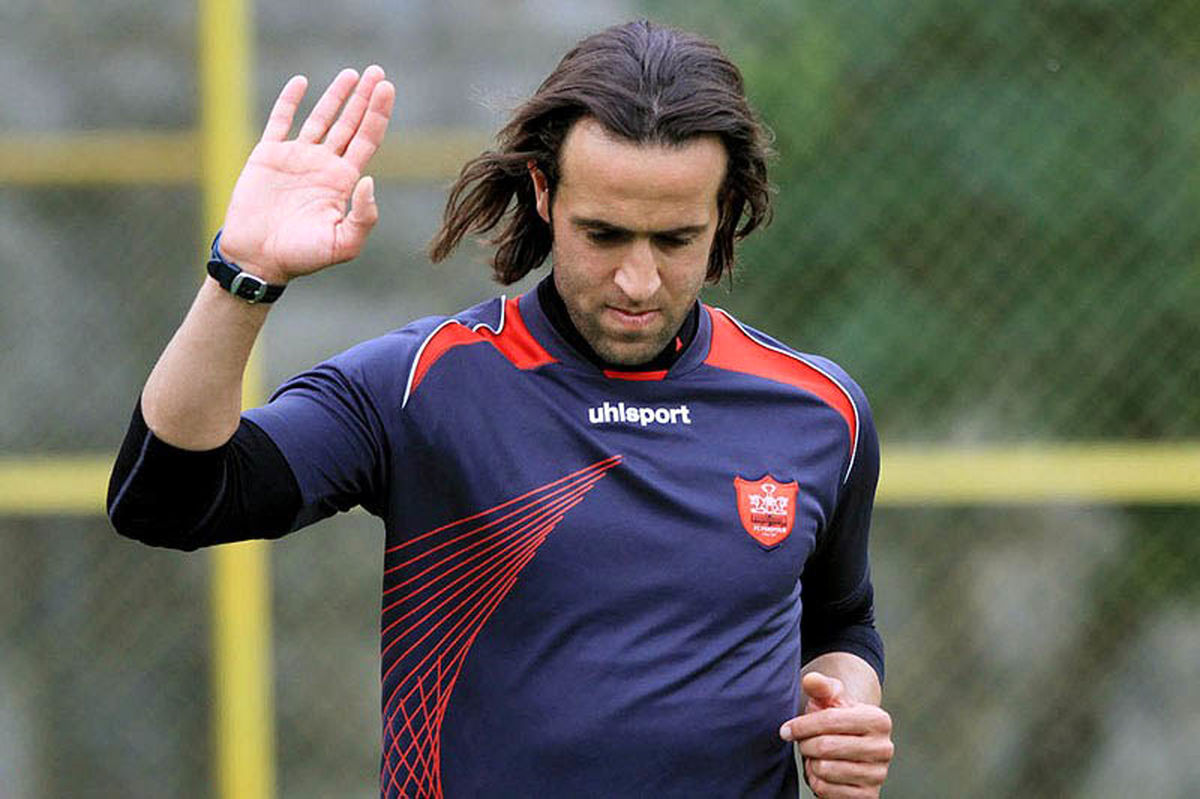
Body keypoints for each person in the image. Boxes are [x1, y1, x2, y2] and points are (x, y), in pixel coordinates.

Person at [108, 20, 893, 798]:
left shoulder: (819, 411)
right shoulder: (425, 382)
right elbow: (166, 500)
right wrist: (242, 276)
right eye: (604, 235)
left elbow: (840, 622)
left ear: (727, 210)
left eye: (675, 239)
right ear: (544, 192)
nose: (638, 280)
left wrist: (846, 708)